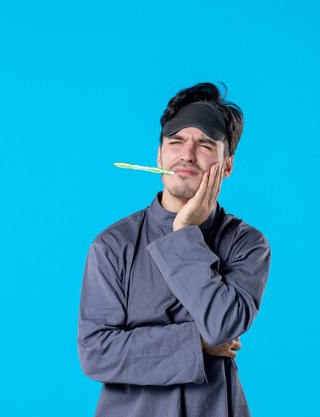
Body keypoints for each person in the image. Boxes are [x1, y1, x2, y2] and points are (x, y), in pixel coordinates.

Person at [77, 82, 271, 417]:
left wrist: (184, 232)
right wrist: (196, 343)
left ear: (227, 165)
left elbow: (223, 325)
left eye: (205, 144)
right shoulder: (112, 245)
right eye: (176, 141)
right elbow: (96, 353)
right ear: (159, 154)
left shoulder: (247, 243)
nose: (187, 155)